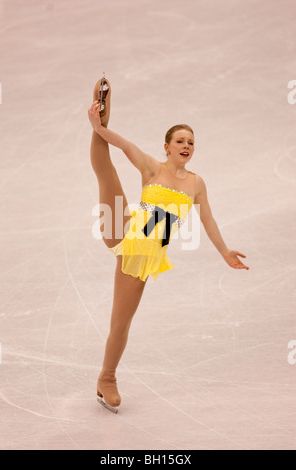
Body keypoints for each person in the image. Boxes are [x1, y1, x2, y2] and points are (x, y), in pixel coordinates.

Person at [87, 76, 249, 413]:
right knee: (108, 173)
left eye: (191, 142)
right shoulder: (152, 167)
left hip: (144, 257)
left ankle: (107, 378)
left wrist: (225, 252)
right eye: (179, 140)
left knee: (121, 323)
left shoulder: (195, 184)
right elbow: (125, 145)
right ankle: (102, 114)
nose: (186, 145)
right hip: (124, 229)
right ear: (167, 146)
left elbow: (209, 221)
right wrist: (100, 127)